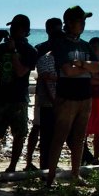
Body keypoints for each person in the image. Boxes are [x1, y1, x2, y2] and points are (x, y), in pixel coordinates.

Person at [44, 6, 98, 186]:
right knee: (59, 137)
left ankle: (76, 174)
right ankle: (50, 176)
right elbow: (67, 70)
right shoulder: (61, 44)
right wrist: (87, 68)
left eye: (84, 21)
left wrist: (81, 64)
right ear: (69, 23)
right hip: (67, 97)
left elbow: (98, 68)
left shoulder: (85, 45)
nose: (82, 25)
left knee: (79, 138)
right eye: (79, 21)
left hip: (85, 96)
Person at [0, 14, 38, 173]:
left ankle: (12, 166)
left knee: (19, 134)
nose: (11, 30)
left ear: (24, 31)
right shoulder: (3, 47)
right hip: (2, 97)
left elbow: (21, 71)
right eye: (11, 27)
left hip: (18, 98)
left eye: (15, 28)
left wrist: (14, 50)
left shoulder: (30, 51)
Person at [31, 18, 63, 173]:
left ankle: (47, 163)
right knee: (43, 130)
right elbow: (44, 77)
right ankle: (43, 163)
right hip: (45, 97)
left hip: (53, 97)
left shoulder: (45, 49)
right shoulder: (42, 50)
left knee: (48, 131)